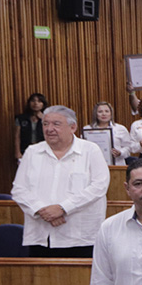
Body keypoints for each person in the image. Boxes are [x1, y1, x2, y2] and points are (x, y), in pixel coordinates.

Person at [11, 106, 110, 258]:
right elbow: (19, 190)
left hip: (80, 237)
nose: (49, 129)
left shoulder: (90, 150)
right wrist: (42, 210)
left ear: (73, 127)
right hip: (41, 236)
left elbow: (99, 186)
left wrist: (63, 208)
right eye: (45, 124)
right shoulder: (32, 152)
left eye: (56, 124)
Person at [14, 92, 47, 160]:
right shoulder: (21, 118)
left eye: (39, 101)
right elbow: (17, 136)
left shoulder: (48, 118)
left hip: (43, 149)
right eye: (33, 101)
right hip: (25, 149)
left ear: (43, 104)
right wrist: (17, 152)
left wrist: (43, 119)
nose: (35, 103)